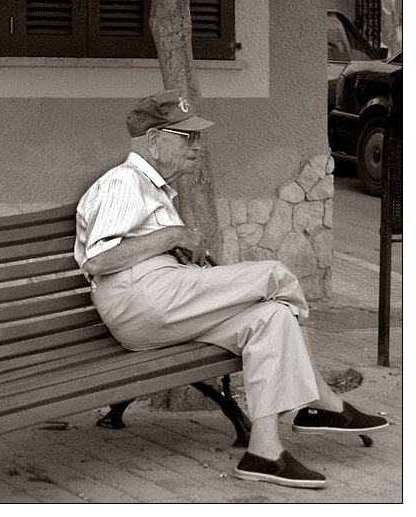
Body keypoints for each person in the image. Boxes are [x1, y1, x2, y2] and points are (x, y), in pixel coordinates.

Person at [74, 87, 388, 490]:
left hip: (160, 301)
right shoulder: (124, 182)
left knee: (271, 318)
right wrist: (172, 235)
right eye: (186, 136)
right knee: (275, 276)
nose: (197, 145)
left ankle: (265, 452)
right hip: (140, 298)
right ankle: (321, 401)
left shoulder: (153, 189)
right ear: (153, 140)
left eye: (198, 136)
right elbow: (98, 259)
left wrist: (176, 245)